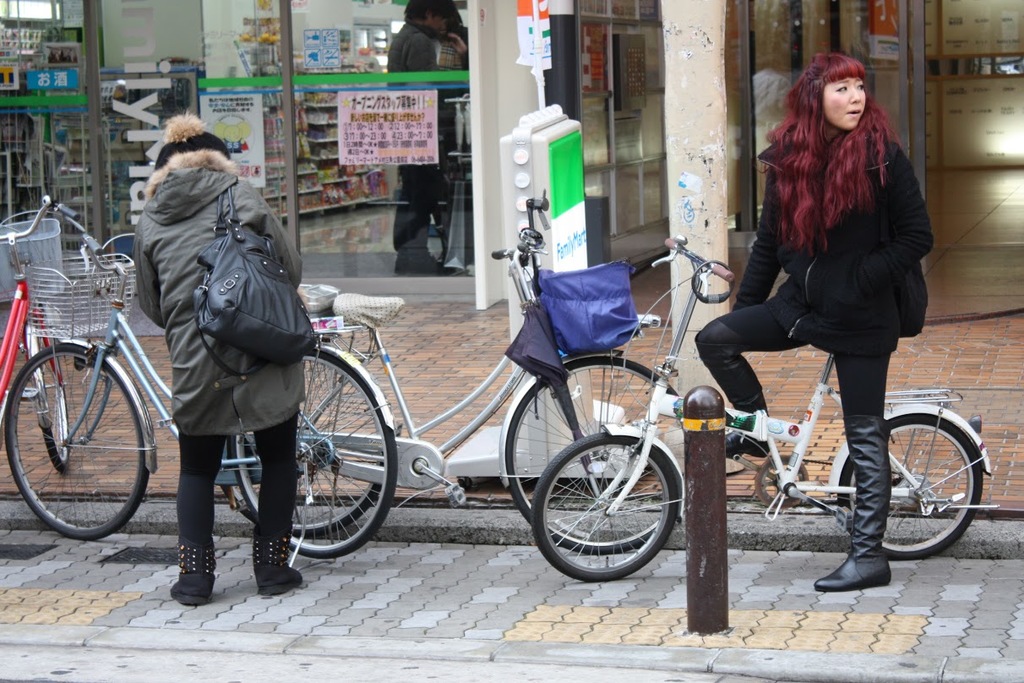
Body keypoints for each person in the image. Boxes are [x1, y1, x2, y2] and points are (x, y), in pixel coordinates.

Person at [694, 53, 934, 593]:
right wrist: (746, 307)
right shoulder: (787, 161)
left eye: (858, 87)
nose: (855, 98)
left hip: (864, 318)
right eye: (841, 88)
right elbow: (770, 245)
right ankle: (757, 436)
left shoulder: (882, 159)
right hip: (801, 307)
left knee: (864, 434)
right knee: (717, 339)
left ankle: (869, 557)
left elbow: (917, 238)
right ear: (814, 99)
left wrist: (859, 280)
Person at [134, 113, 304, 605]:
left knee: (196, 468)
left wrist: (190, 323)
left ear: (165, 170)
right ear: (216, 159)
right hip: (261, 346)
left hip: (195, 353)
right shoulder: (242, 196)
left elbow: (151, 303)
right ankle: (272, 568)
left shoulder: (151, 219)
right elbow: (290, 268)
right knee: (277, 458)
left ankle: (194, 580)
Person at [387, 0, 465, 258]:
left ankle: (409, 250)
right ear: (430, 14)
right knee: (423, 192)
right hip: (420, 130)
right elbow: (431, 90)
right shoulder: (419, 41)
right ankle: (413, 251)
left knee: (413, 191)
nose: (444, 25)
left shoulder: (403, 36)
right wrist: (462, 76)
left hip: (408, 128)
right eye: (442, 19)